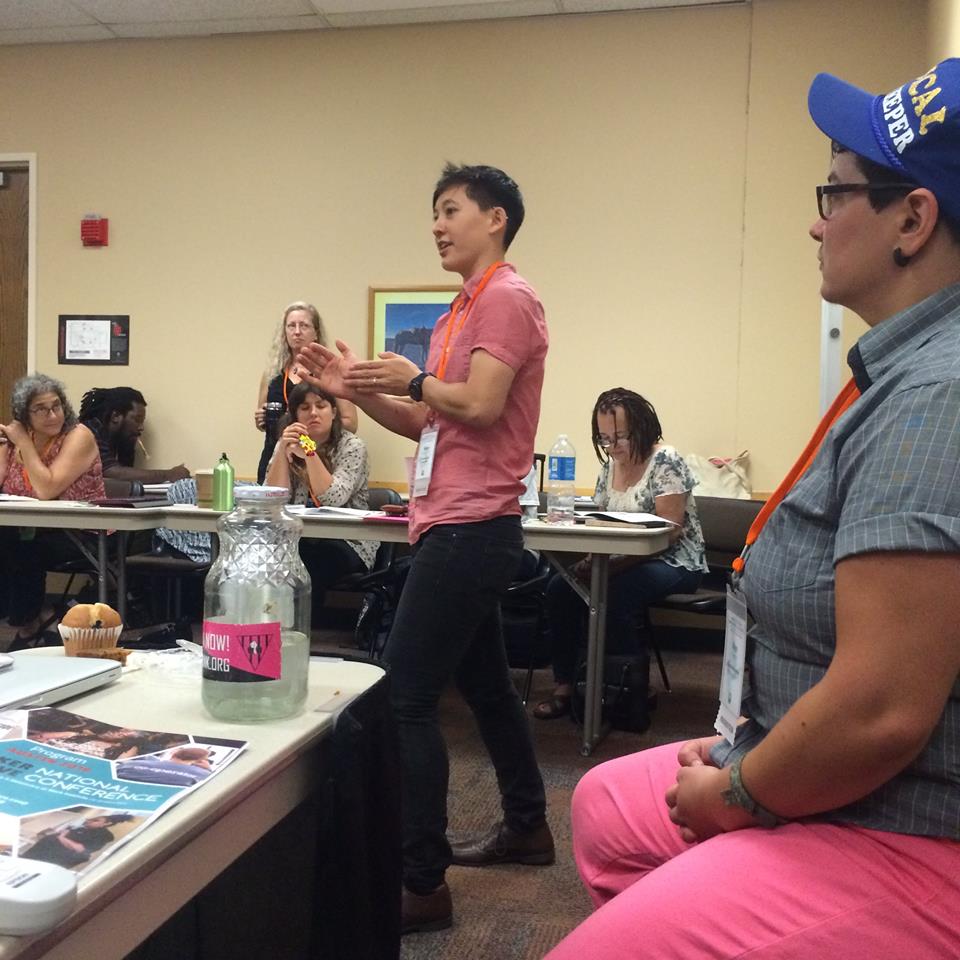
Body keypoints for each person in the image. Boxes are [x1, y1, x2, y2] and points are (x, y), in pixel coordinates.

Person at [544, 60, 960, 960]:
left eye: (835, 191)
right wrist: (749, 752)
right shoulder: (898, 372)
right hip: (821, 759)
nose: (815, 220)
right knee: (604, 807)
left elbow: (881, 711)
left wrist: (741, 792)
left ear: (913, 220)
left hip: (906, 820)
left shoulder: (937, 395)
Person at [298, 163, 551, 935]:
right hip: (453, 523)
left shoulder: (506, 298)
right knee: (488, 689)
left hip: (472, 528)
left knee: (404, 697)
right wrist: (355, 390)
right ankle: (528, 826)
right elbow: (429, 421)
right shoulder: (459, 311)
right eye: (434, 214)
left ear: (495, 219)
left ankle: (421, 883)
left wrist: (412, 383)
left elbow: (480, 403)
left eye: (450, 210)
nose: (437, 226)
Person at [534, 388, 706, 720]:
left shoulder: (666, 460)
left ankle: (627, 686)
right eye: (605, 439)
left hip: (675, 561)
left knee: (613, 593)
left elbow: (670, 531)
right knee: (560, 589)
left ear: (642, 427)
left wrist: (614, 568)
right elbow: (599, 523)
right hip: (618, 562)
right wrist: (590, 561)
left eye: (621, 437)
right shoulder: (608, 468)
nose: (613, 447)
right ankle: (566, 685)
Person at [0, 374, 105, 648]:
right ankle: (29, 621)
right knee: (12, 540)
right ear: (24, 414)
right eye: (41, 409)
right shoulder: (18, 438)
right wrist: (3, 447)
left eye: (56, 405)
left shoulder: (78, 435)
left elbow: (47, 489)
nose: (52, 415)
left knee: (18, 546)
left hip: (81, 533)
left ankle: (29, 623)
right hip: (28, 529)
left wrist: (23, 443)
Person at [265, 381, 377, 599]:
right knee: (270, 558)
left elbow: (332, 498)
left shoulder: (352, 446)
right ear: (295, 416)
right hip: (298, 538)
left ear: (333, 412)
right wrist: (281, 451)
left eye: (321, 405)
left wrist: (309, 451)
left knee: (308, 561)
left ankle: (299, 620)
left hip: (348, 542)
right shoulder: (286, 443)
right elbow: (273, 500)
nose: (313, 413)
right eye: (305, 408)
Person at [254, 302, 358, 483]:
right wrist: (261, 420)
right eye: (291, 326)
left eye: (304, 326)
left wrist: (311, 426)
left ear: (316, 332)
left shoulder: (330, 372)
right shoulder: (271, 373)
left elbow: (350, 423)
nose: (297, 332)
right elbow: (263, 422)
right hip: (275, 456)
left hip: (317, 458)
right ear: (284, 332)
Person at [77, 386, 190, 484]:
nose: (141, 427)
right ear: (116, 416)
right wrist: (168, 475)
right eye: (137, 419)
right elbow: (110, 472)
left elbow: (126, 474)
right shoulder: (89, 431)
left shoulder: (120, 438)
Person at [22, 813, 135, 870]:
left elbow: (80, 849)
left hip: (50, 863)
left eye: (95, 820)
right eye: (90, 819)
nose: (89, 821)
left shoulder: (103, 835)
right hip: (32, 857)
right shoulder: (80, 828)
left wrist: (62, 837)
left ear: (107, 824)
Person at [117, 746, 213, 787]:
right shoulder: (203, 775)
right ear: (200, 761)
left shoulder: (130, 765)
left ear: (173, 754)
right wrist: (208, 770)